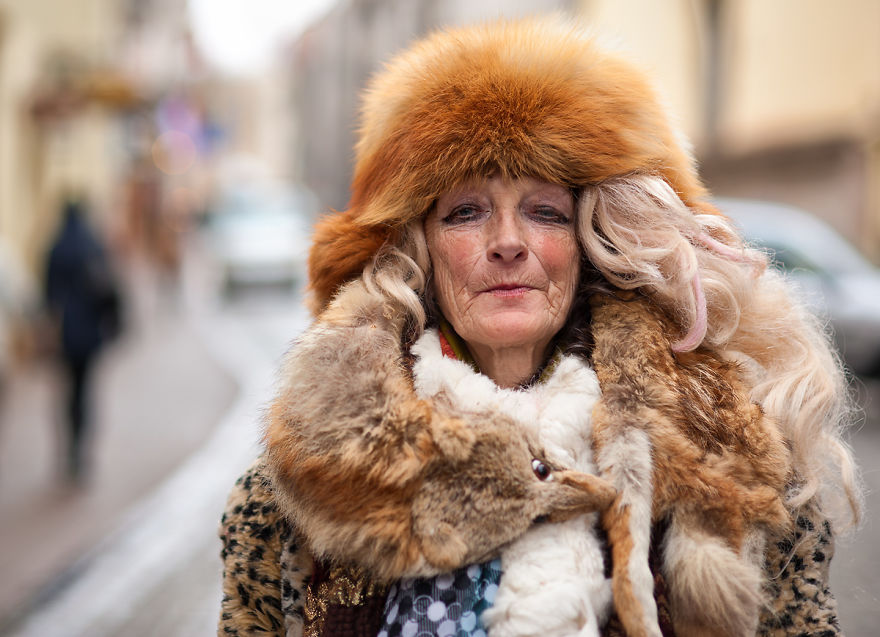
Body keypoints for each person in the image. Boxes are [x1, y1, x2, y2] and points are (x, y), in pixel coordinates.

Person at [218, 19, 860, 637]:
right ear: (419, 251)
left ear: (590, 241)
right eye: (466, 211)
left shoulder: (731, 464)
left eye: (545, 212)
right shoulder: (304, 491)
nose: (507, 244)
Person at [45, 198, 122, 481]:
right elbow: (108, 287)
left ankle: (70, 449)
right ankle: (82, 449)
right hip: (90, 334)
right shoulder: (92, 244)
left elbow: (48, 294)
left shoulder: (56, 247)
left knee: (69, 391)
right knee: (86, 389)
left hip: (66, 333)